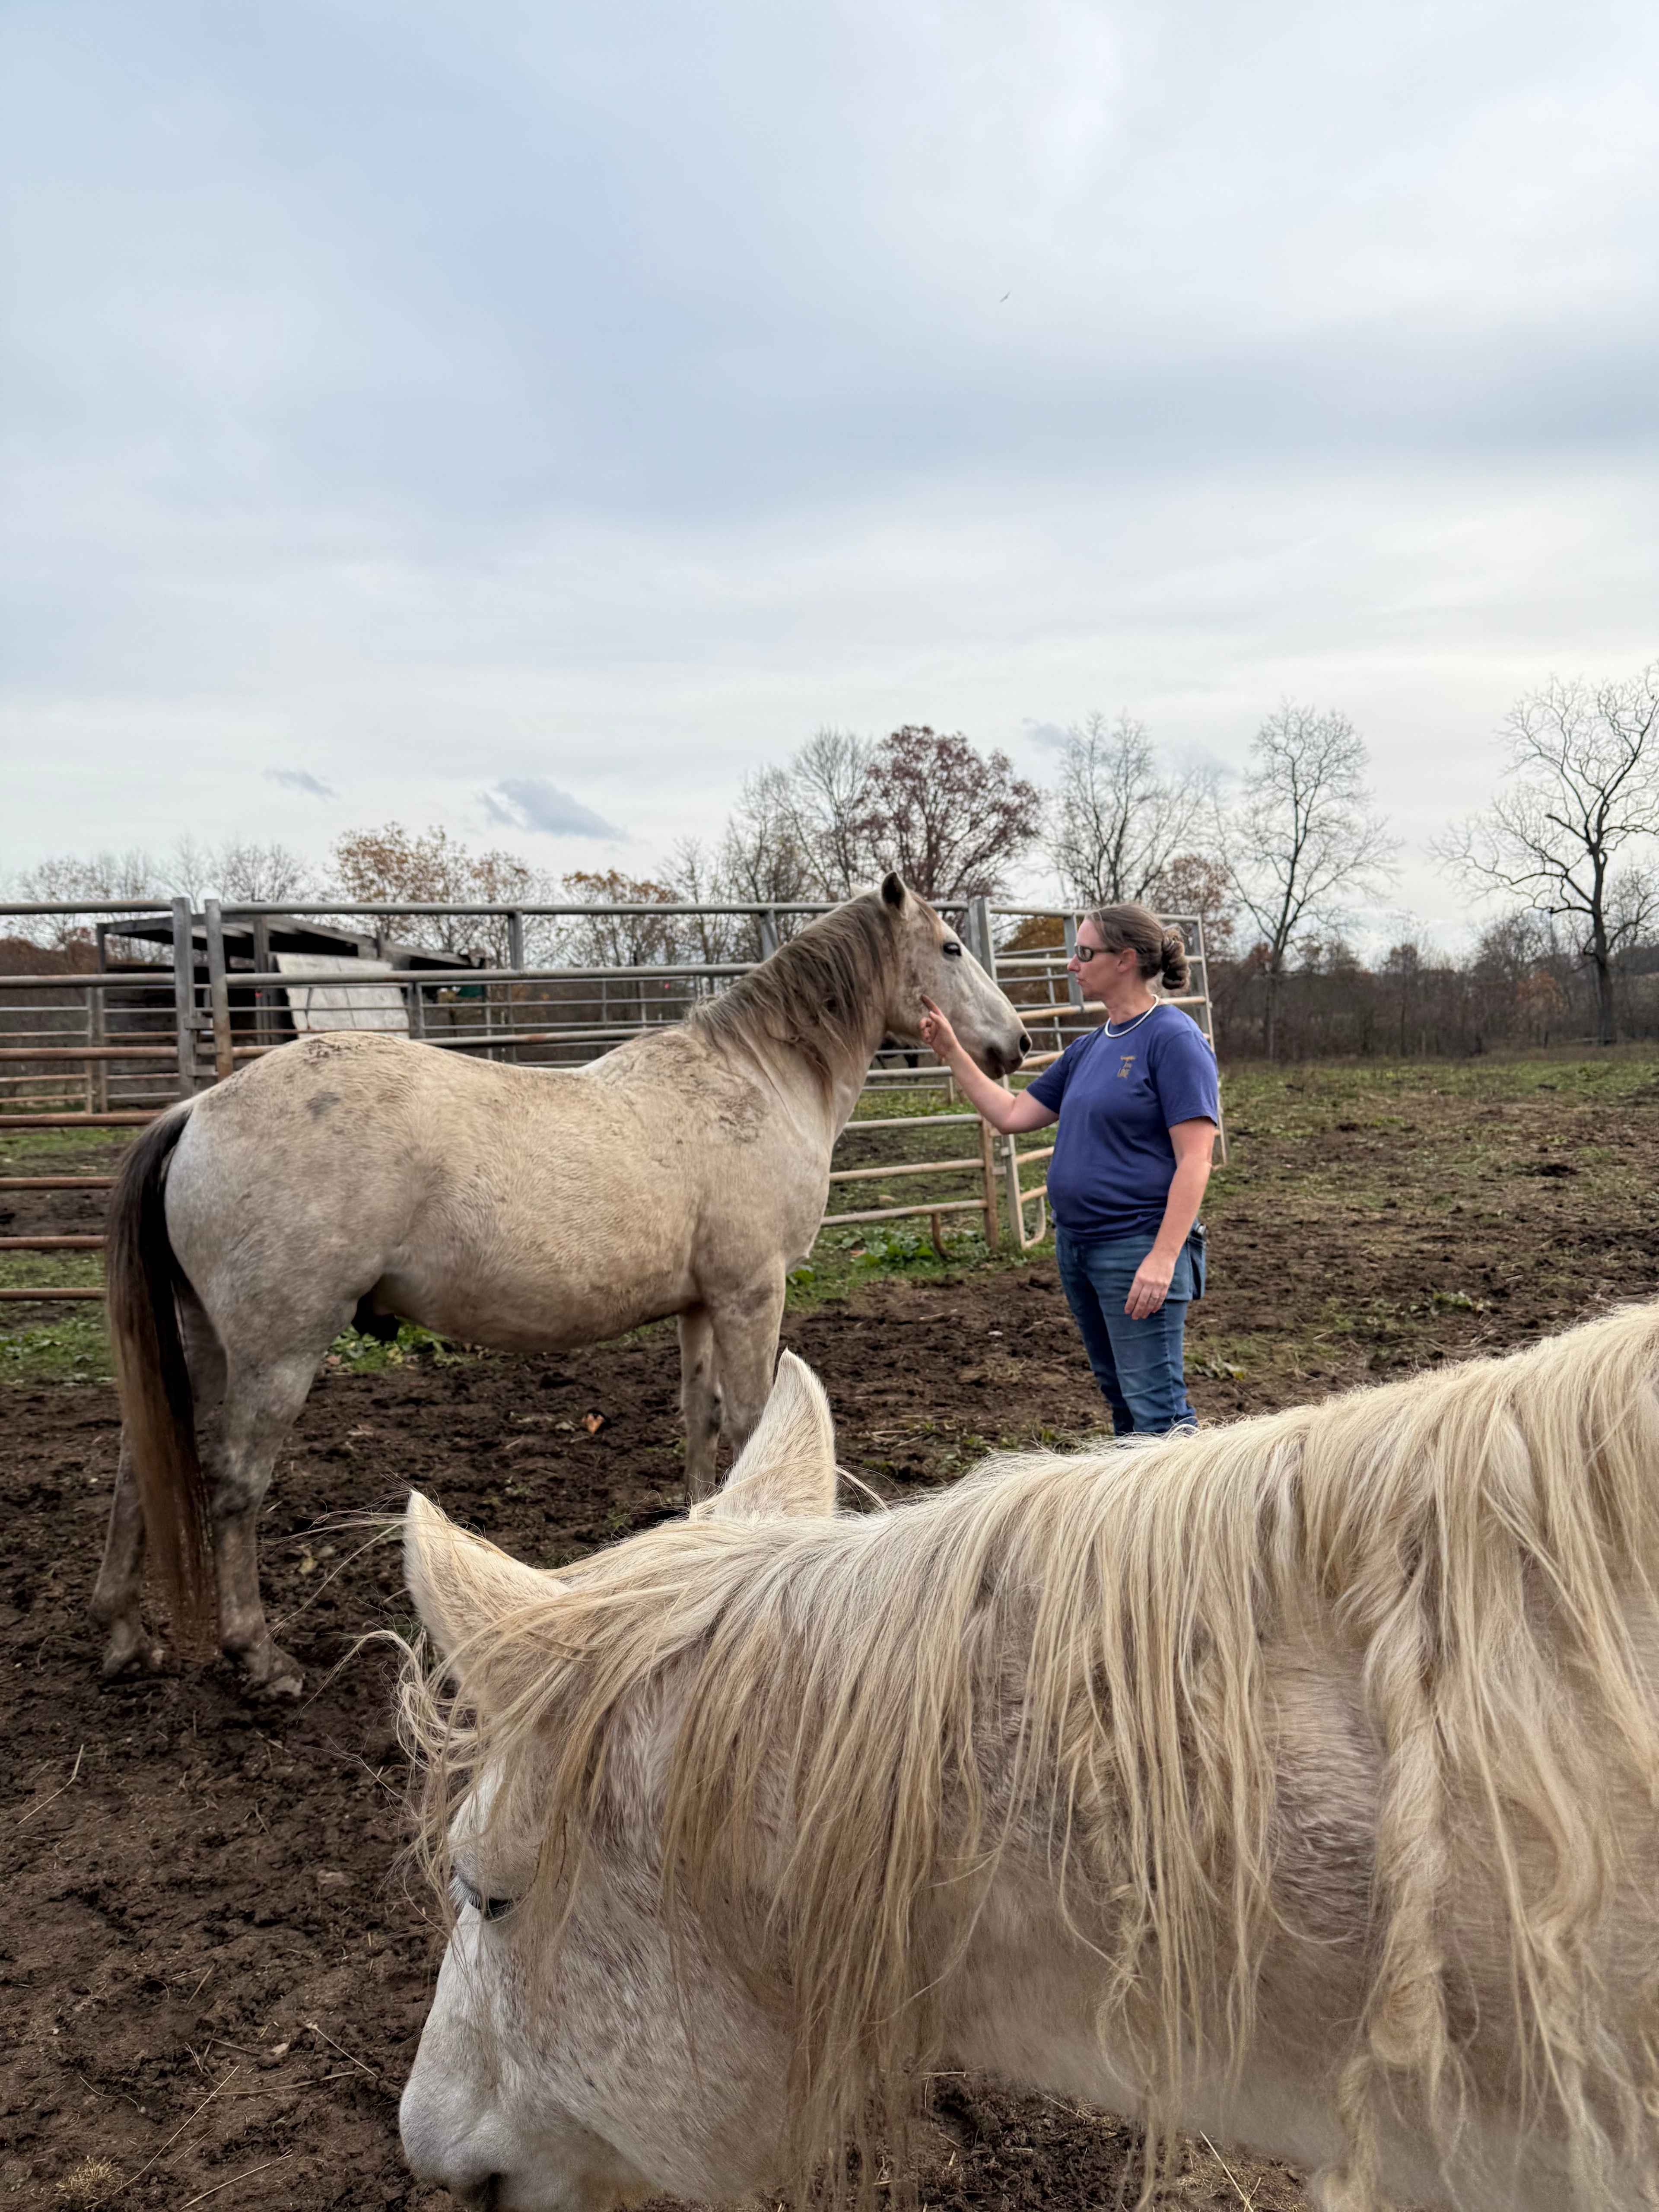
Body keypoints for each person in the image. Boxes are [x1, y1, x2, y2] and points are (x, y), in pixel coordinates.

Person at [921, 902, 1218, 1434]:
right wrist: (951, 1050)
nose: (1071, 964)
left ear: (1125, 960)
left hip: (1135, 1246)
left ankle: (1185, 1515)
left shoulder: (1173, 1038)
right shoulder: (1088, 1048)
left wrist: (1163, 1258)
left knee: (1157, 1410)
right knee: (1123, 1399)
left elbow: (1195, 1159)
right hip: (1079, 1246)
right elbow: (1012, 1114)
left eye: (1084, 953)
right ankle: (1138, 1514)